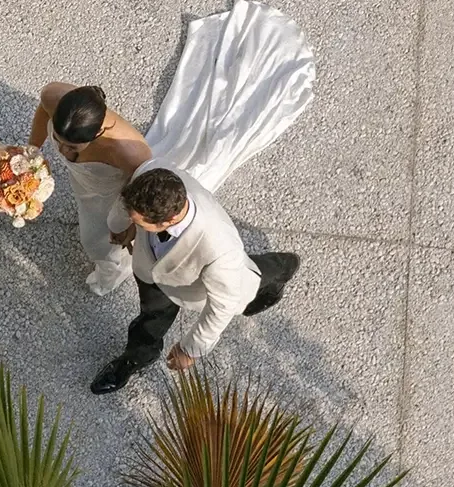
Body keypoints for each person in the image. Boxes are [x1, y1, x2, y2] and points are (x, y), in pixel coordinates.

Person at [89, 166, 299, 394]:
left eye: (140, 224)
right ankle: (136, 359)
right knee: (150, 318)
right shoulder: (152, 175)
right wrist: (122, 227)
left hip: (191, 285)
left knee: (252, 275)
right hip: (153, 274)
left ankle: (286, 266)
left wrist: (190, 350)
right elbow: (126, 201)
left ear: (168, 219)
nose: (136, 226)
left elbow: (221, 307)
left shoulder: (220, 252)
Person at [29, 83, 150, 295]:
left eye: (73, 147)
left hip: (108, 195)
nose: (62, 151)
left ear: (98, 133)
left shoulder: (130, 153)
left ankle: (112, 271)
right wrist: (31, 151)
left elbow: (142, 188)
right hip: (84, 182)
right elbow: (43, 112)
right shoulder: (53, 96)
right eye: (57, 139)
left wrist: (128, 227)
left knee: (95, 241)